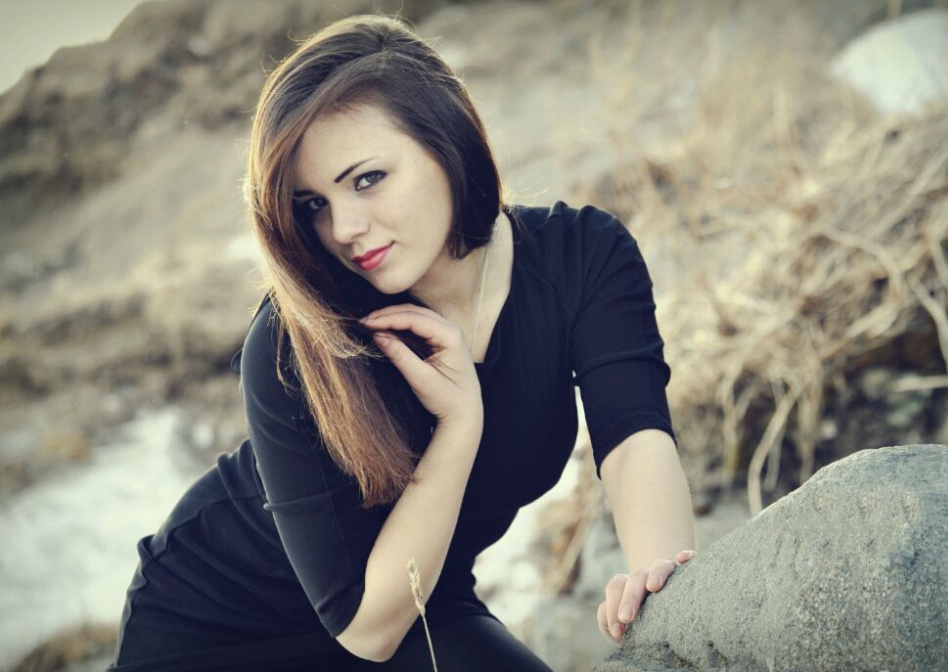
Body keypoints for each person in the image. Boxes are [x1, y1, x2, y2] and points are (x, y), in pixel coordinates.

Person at [108, 12, 696, 672]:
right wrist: (459, 425)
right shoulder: (297, 337)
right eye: (313, 205)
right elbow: (366, 632)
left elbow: (634, 439)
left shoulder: (583, 257)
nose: (344, 229)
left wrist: (662, 582)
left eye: (367, 179)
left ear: (447, 141)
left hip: (425, 599)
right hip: (221, 626)